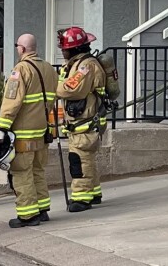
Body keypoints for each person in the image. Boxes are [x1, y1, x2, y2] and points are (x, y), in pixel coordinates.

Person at [0, 33, 58, 227]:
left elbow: (11, 101)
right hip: (42, 131)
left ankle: (28, 215)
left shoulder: (21, 69)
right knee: (38, 170)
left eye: (17, 46)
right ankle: (42, 209)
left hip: (23, 134)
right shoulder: (48, 68)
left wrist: (1, 127)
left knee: (22, 173)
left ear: (22, 48)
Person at [56, 27, 107, 212]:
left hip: (85, 121)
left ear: (75, 49)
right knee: (87, 158)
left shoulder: (85, 66)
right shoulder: (77, 64)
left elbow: (70, 89)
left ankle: (82, 198)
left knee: (79, 158)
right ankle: (94, 192)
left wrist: (55, 87)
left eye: (65, 49)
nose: (63, 52)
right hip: (84, 121)